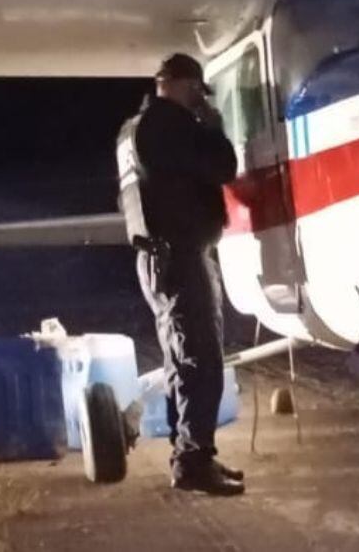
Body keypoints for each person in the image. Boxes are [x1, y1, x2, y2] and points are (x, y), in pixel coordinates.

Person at [116, 53, 242, 495]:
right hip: (179, 255)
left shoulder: (130, 131)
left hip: (154, 257)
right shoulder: (172, 124)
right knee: (200, 360)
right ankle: (193, 463)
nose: (198, 103)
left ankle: (192, 454)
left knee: (181, 359)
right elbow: (223, 166)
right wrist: (212, 124)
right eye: (197, 94)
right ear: (188, 86)